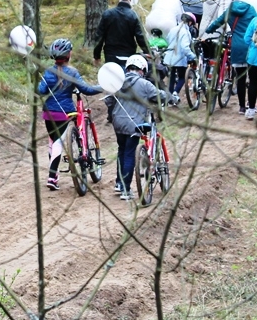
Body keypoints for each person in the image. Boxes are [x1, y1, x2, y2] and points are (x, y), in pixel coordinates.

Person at [36, 39, 103, 191]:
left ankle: (55, 175)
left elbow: (41, 91)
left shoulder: (48, 72)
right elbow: (87, 90)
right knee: (59, 143)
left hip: (48, 113)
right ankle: (52, 177)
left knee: (53, 142)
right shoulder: (72, 72)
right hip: (65, 113)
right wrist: (103, 86)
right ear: (68, 55)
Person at [112, 55, 171, 200]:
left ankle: (119, 183)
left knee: (122, 150)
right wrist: (171, 97)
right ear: (142, 69)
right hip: (134, 123)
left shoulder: (118, 82)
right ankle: (126, 190)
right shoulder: (144, 84)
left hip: (118, 122)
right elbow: (160, 96)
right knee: (129, 153)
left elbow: (109, 100)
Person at [206, 0, 256, 114]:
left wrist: (208, 30)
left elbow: (218, 22)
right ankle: (251, 105)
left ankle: (242, 107)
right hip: (250, 46)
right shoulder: (251, 9)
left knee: (240, 79)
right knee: (253, 78)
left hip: (236, 46)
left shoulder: (230, 10)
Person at [163, 13, 196, 98]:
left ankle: (170, 96)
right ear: (190, 23)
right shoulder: (186, 32)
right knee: (182, 77)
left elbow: (168, 40)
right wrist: (192, 56)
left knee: (171, 78)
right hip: (179, 58)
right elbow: (185, 47)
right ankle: (175, 92)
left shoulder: (173, 29)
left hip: (169, 58)